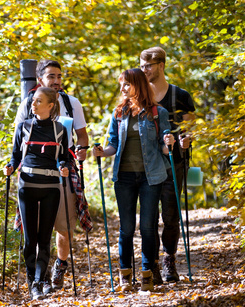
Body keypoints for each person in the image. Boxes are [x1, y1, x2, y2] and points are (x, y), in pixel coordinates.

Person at [92, 68, 175, 292]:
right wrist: (101, 152)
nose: (122, 89)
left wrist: (169, 143)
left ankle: (147, 274)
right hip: (124, 177)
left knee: (148, 227)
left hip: (152, 176)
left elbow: (164, 149)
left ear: (138, 84)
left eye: (126, 84)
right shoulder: (119, 113)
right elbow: (112, 145)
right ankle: (125, 276)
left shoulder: (158, 113)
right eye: (121, 84)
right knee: (126, 228)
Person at [14, 59, 89, 292]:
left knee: (63, 227)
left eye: (59, 76)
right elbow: (18, 143)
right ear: (40, 80)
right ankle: (40, 277)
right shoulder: (28, 104)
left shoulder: (71, 102)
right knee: (34, 230)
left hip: (63, 173)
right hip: (33, 175)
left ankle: (59, 266)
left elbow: (82, 136)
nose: (57, 81)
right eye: (51, 77)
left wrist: (80, 152)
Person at [4, 87, 70, 300]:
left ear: (50, 106)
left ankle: (41, 281)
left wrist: (64, 166)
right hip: (27, 187)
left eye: (38, 101)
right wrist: (10, 167)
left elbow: (63, 157)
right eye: (33, 100)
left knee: (45, 237)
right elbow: (15, 156)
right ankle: (33, 281)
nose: (33, 104)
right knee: (30, 238)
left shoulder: (60, 129)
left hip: (51, 187)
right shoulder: (23, 127)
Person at [140, 47, 196, 283]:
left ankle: (169, 259)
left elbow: (193, 127)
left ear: (161, 66)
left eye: (148, 66)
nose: (144, 70)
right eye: (142, 66)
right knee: (149, 217)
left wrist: (187, 138)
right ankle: (151, 262)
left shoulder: (180, 96)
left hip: (176, 164)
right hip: (147, 165)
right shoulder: (139, 96)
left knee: (171, 216)